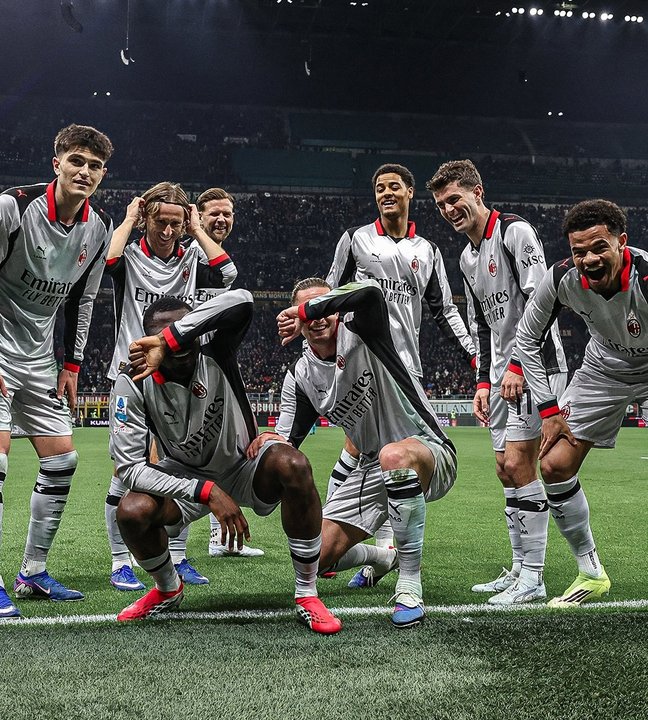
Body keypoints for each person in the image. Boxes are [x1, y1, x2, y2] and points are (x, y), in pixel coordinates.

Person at [109, 291, 341, 634]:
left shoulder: (217, 350)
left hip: (244, 464)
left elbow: (243, 300)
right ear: (146, 340)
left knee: (293, 463)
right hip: (186, 477)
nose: (178, 344)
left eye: (184, 333)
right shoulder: (132, 381)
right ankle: (168, 588)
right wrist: (205, 490)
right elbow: (129, 469)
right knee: (131, 510)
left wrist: (174, 336)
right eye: (164, 336)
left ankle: (307, 593)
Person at [266, 278, 457, 627]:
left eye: (322, 308)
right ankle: (384, 559)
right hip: (371, 467)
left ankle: (409, 584)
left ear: (336, 310)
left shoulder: (364, 330)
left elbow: (370, 291)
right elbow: (284, 445)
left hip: (427, 449)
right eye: (306, 313)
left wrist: (306, 310)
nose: (316, 318)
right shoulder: (300, 376)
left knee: (393, 456)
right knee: (315, 558)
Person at [326, 163, 475, 588]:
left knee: (394, 458)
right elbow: (330, 297)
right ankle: (365, 540)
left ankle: (394, 560)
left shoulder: (427, 250)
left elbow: (444, 310)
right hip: (359, 364)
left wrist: (473, 356)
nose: (386, 193)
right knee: (360, 446)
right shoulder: (356, 239)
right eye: (379, 188)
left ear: (410, 192)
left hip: (405, 371)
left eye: (394, 186)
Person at [428, 159, 568, 604]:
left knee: (521, 465)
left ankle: (535, 577)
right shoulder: (467, 257)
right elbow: (482, 326)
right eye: (441, 204)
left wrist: (519, 366)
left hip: (534, 369)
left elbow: (543, 302)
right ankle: (519, 567)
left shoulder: (514, 232)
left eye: (455, 199)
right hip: (500, 375)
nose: (449, 209)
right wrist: (482, 382)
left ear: (478, 192)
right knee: (505, 468)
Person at [0, 124, 113, 617]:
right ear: (57, 164)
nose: (85, 171)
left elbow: (83, 300)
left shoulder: (98, 228)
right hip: (0, 350)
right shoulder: (12, 207)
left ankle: (32, 572)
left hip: (41, 359)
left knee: (62, 460)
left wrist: (71, 365)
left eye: (95, 166)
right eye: (77, 161)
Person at [104, 182, 235, 590]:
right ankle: (120, 561)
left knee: (180, 464)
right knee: (126, 473)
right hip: (132, 373)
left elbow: (228, 274)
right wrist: (129, 219)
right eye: (160, 221)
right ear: (146, 218)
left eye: (176, 224)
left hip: (179, 375)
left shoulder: (192, 255)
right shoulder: (130, 253)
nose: (167, 231)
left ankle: (178, 557)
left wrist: (196, 230)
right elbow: (108, 261)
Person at [515, 199, 640, 606]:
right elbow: (526, 339)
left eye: (599, 247)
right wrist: (549, 411)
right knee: (554, 463)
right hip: (603, 369)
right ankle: (591, 572)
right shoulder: (561, 279)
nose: (589, 259)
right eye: (579, 251)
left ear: (622, 242)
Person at [194, 187, 263, 559]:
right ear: (198, 216)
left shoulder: (216, 259)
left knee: (220, 451)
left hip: (213, 367)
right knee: (173, 455)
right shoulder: (188, 256)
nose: (222, 219)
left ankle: (219, 540)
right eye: (214, 213)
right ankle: (169, 549)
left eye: (227, 214)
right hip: (184, 368)